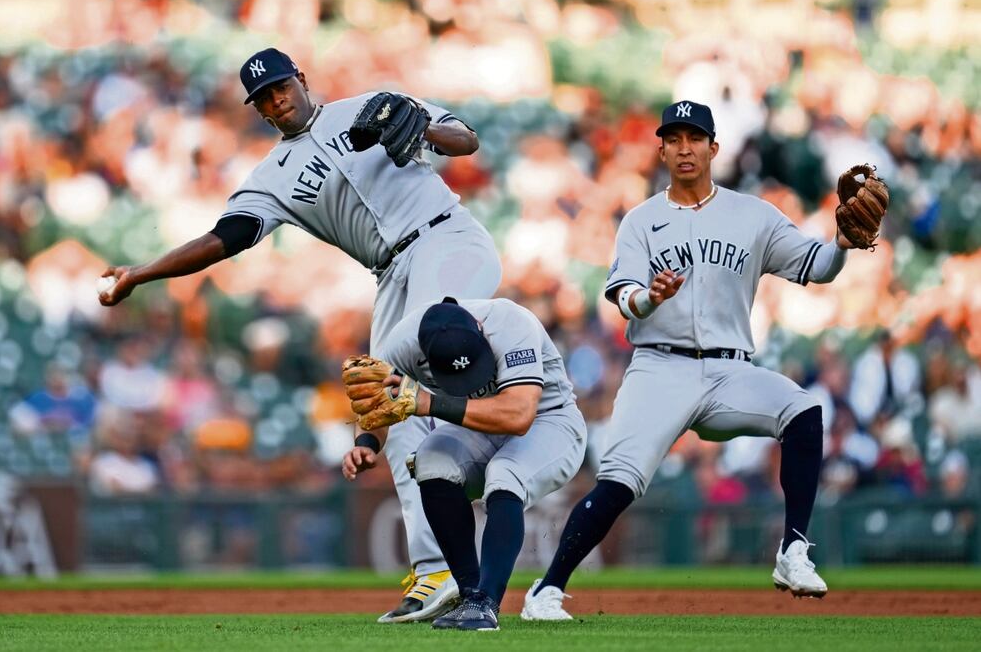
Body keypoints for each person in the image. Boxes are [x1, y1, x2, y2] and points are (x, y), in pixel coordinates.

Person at [98, 48, 502, 623]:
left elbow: (466, 141)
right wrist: (141, 273)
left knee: (419, 354)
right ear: (258, 110)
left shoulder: (368, 105)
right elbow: (227, 236)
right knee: (387, 409)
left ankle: (489, 416)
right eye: (263, 97)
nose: (275, 99)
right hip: (390, 273)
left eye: (281, 86)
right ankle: (436, 570)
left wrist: (419, 130)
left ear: (301, 80)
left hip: (447, 239)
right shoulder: (272, 177)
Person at [523, 100, 864, 620]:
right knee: (618, 481)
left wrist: (841, 242)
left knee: (804, 411)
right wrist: (650, 299)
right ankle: (545, 592)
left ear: (713, 148)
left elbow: (816, 267)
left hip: (730, 370)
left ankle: (794, 551)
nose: (685, 148)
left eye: (695, 138)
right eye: (674, 138)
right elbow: (624, 297)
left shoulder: (752, 215)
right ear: (661, 149)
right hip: (660, 367)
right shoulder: (641, 221)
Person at [341, 297, 587, 630]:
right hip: (480, 427)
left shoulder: (511, 323)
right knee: (430, 459)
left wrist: (427, 402)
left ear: (480, 329)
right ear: (424, 354)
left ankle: (487, 604)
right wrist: (366, 443)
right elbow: (377, 401)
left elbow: (518, 415)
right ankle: (470, 595)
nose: (470, 379)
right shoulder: (403, 342)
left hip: (550, 422)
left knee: (506, 473)